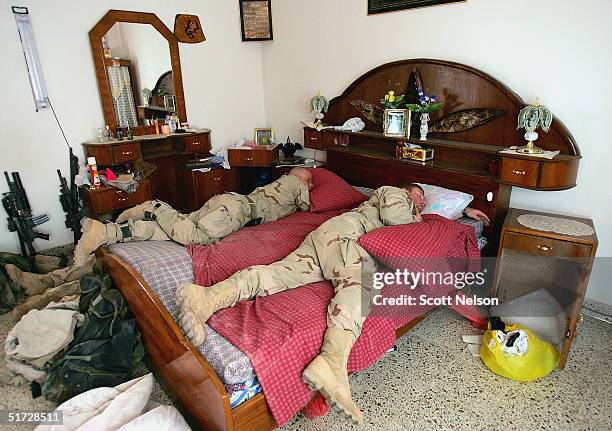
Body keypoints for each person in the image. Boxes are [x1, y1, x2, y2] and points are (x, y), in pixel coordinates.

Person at [176, 182, 492, 423]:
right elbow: (399, 219)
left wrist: (461, 213)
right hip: (346, 238)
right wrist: (424, 215)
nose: (420, 201)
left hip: (327, 238)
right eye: (418, 194)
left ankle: (208, 296)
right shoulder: (393, 193)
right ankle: (332, 360)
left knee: (279, 275)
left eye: (423, 200)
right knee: (361, 286)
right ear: (409, 189)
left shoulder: (411, 205)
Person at [6, 168, 313, 296]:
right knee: (196, 237)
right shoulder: (299, 183)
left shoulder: (280, 179)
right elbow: (312, 203)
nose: (308, 183)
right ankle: (154, 206)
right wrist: (312, 181)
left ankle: (105, 233)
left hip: (227, 202)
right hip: (238, 211)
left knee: (169, 232)